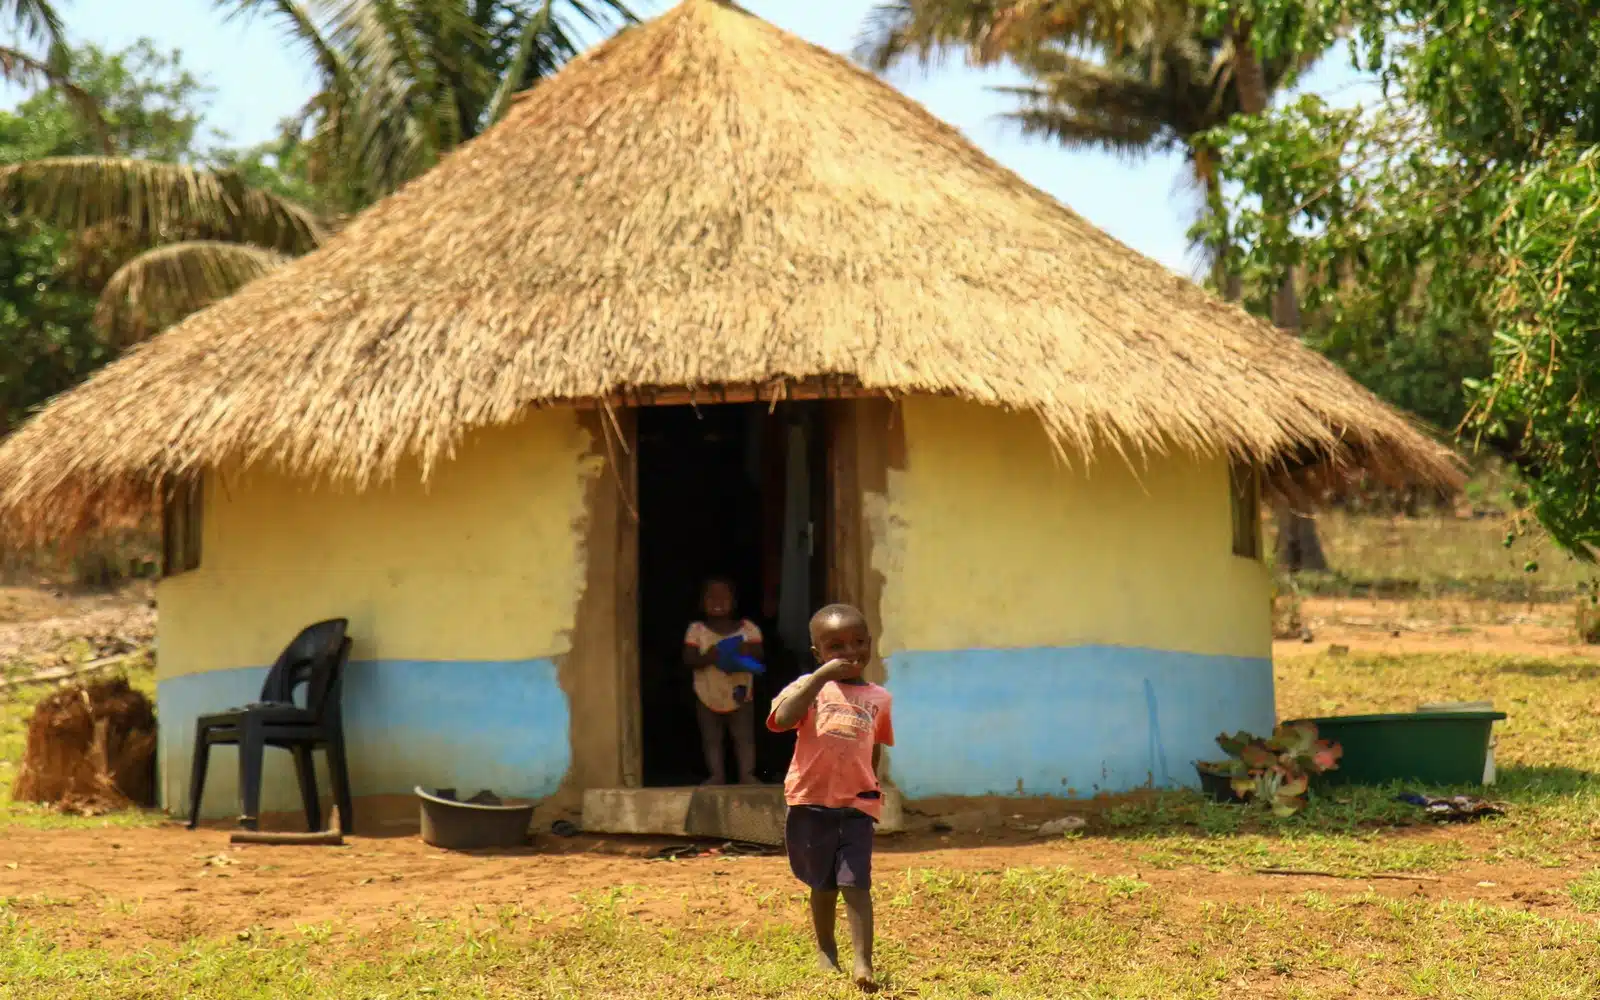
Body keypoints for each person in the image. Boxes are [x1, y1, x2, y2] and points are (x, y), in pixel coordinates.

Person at [767, 603, 893, 990]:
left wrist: (871, 785)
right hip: (810, 801)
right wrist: (820, 678)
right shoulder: (808, 689)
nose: (850, 652)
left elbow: (874, 747)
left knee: (856, 882)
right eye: (835, 646)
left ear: (870, 644)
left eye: (858, 642)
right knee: (822, 883)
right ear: (817, 654)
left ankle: (862, 963)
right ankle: (826, 950)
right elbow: (784, 719)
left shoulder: (879, 698)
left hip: (856, 804)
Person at [682, 577, 764, 785]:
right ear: (702, 603)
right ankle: (716, 775)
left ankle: (747, 774)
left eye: (723, 596)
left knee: (743, 736)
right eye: (711, 596)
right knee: (711, 737)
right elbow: (689, 658)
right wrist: (709, 656)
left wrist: (746, 651)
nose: (717, 600)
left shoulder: (748, 629)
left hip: (740, 692)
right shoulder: (697, 630)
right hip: (707, 693)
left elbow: (760, 654)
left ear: (734, 601)